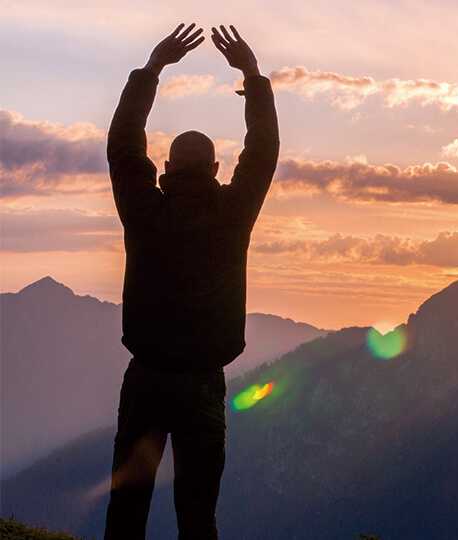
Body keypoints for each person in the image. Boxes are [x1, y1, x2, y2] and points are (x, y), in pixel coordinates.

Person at [104, 23, 279, 539]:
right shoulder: (233, 214)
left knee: (128, 507)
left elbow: (121, 145)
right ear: (218, 167)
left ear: (165, 167)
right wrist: (251, 75)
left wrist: (152, 70)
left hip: (147, 377)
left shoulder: (144, 211)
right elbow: (263, 151)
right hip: (203, 382)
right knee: (198, 512)